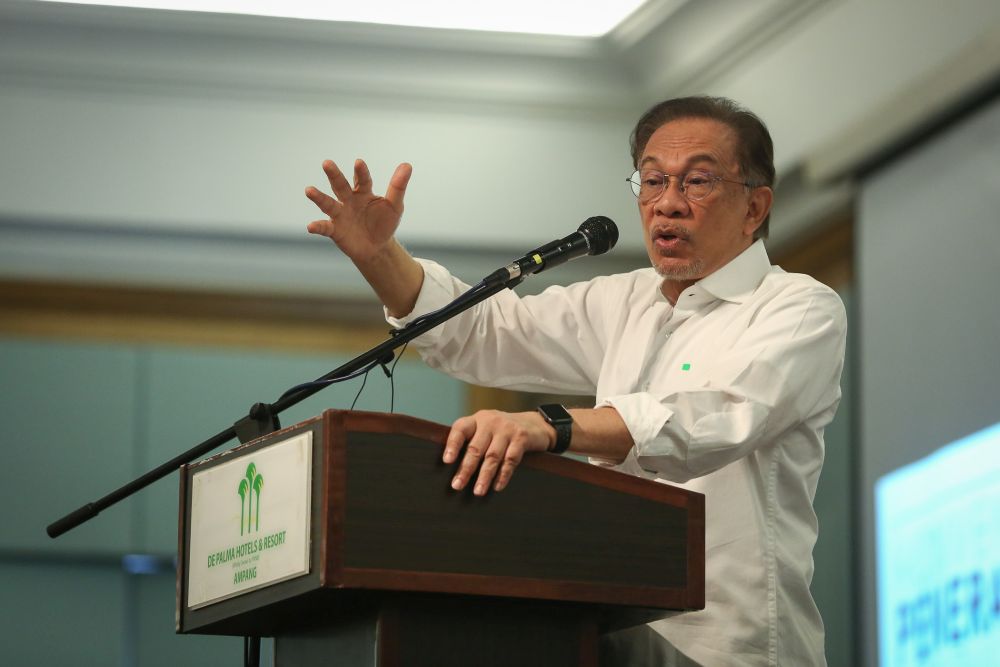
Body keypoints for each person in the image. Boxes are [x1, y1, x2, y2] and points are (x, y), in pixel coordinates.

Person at [304, 96, 846, 666]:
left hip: (728, 648)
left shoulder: (797, 307)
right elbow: (484, 333)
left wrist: (550, 425)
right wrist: (378, 255)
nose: (668, 204)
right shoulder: (623, 300)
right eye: (653, 180)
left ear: (754, 206)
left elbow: (713, 419)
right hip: (608, 627)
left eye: (699, 182)